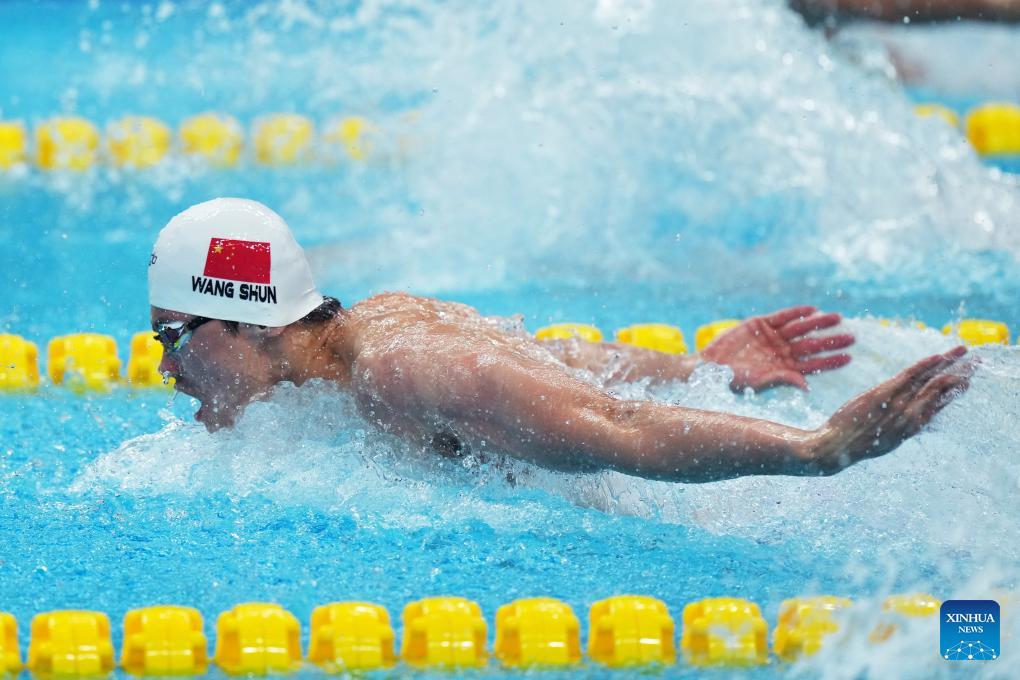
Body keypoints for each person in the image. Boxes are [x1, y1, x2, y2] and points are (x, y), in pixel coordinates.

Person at [149, 198, 971, 483]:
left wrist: (815, 449)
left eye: (175, 341)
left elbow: (617, 428)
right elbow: (559, 355)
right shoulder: (379, 325)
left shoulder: (400, 372)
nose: (166, 370)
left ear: (248, 322)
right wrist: (698, 369)